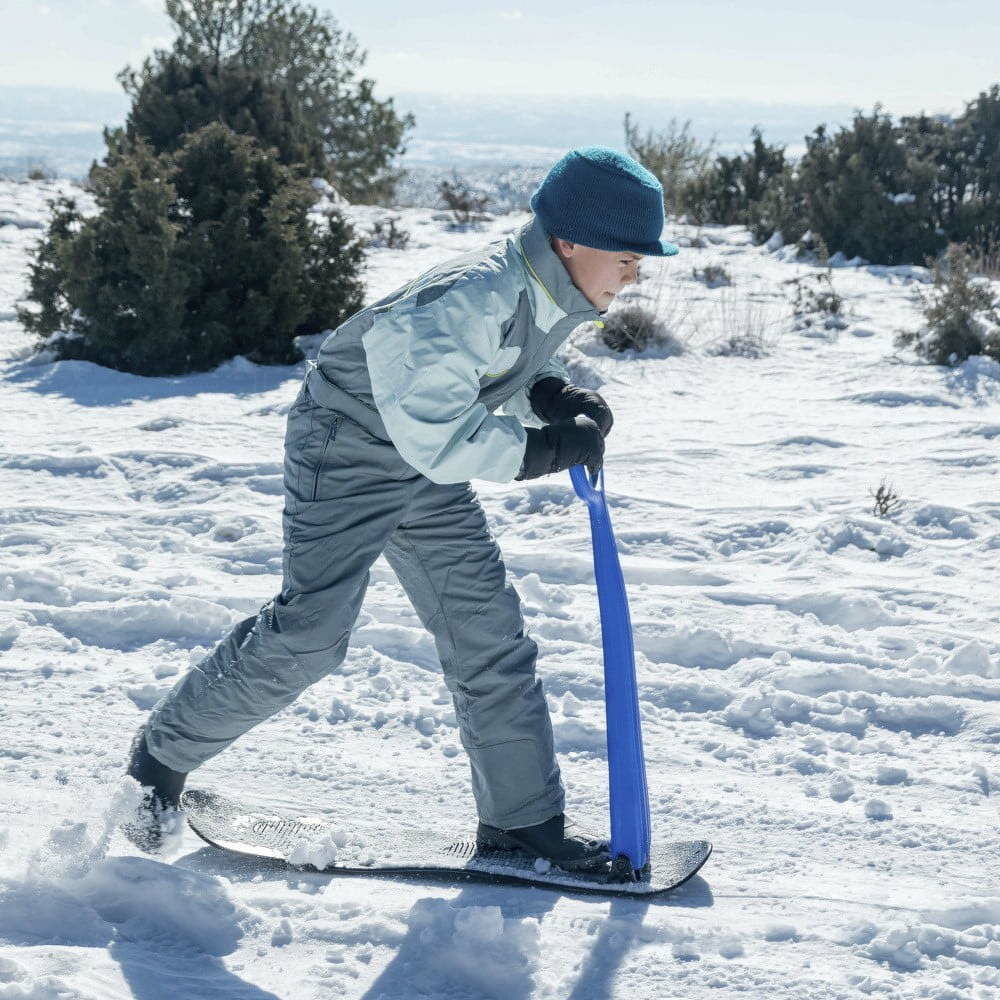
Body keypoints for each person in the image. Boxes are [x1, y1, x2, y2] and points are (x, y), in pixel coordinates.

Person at [125, 145, 680, 870]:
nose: (633, 277)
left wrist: (550, 394)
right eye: (627, 259)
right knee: (312, 633)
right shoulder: (469, 293)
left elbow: (493, 369)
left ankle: (521, 821)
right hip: (347, 445)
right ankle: (158, 762)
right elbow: (444, 434)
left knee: (486, 630)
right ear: (570, 241)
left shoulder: (544, 289)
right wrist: (547, 451)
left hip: (422, 455)